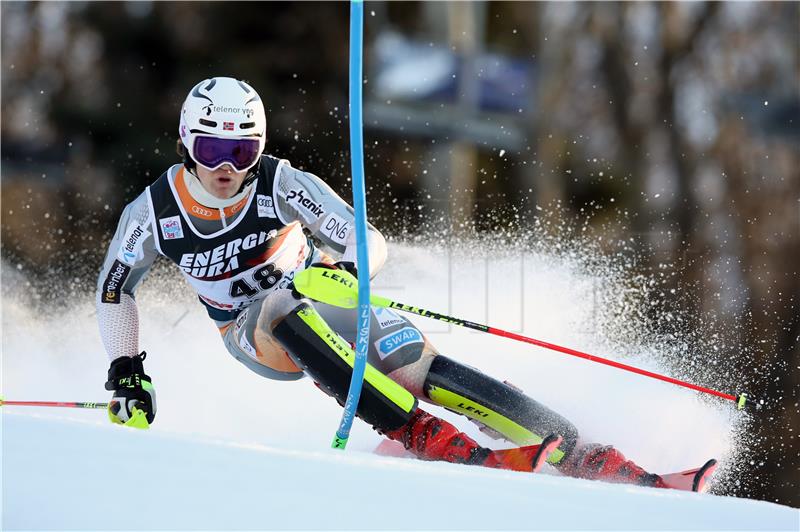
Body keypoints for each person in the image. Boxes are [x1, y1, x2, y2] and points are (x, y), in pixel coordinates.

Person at [96, 76, 710, 488]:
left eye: (242, 149)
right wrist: (126, 369)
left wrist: (350, 268)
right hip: (255, 334)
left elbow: (369, 238)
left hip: (327, 300)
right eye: (209, 149)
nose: (227, 167)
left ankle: (593, 457)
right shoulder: (152, 212)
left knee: (416, 363)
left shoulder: (284, 184)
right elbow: (114, 288)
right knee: (279, 303)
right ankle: (428, 439)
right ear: (184, 142)